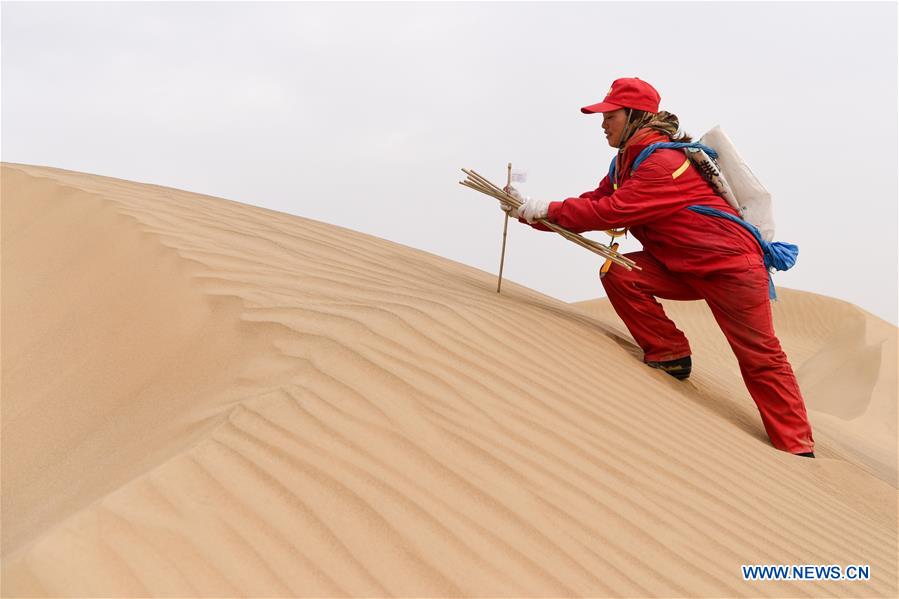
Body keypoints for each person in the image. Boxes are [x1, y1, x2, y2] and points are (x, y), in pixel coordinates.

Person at [504, 77, 815, 457]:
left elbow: (611, 211)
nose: (603, 124)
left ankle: (798, 448)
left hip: (731, 270)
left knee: (760, 357)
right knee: (618, 271)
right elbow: (596, 199)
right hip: (680, 266)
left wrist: (545, 209)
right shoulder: (626, 162)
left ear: (634, 116)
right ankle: (670, 355)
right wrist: (529, 210)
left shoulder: (665, 162)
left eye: (610, 116)